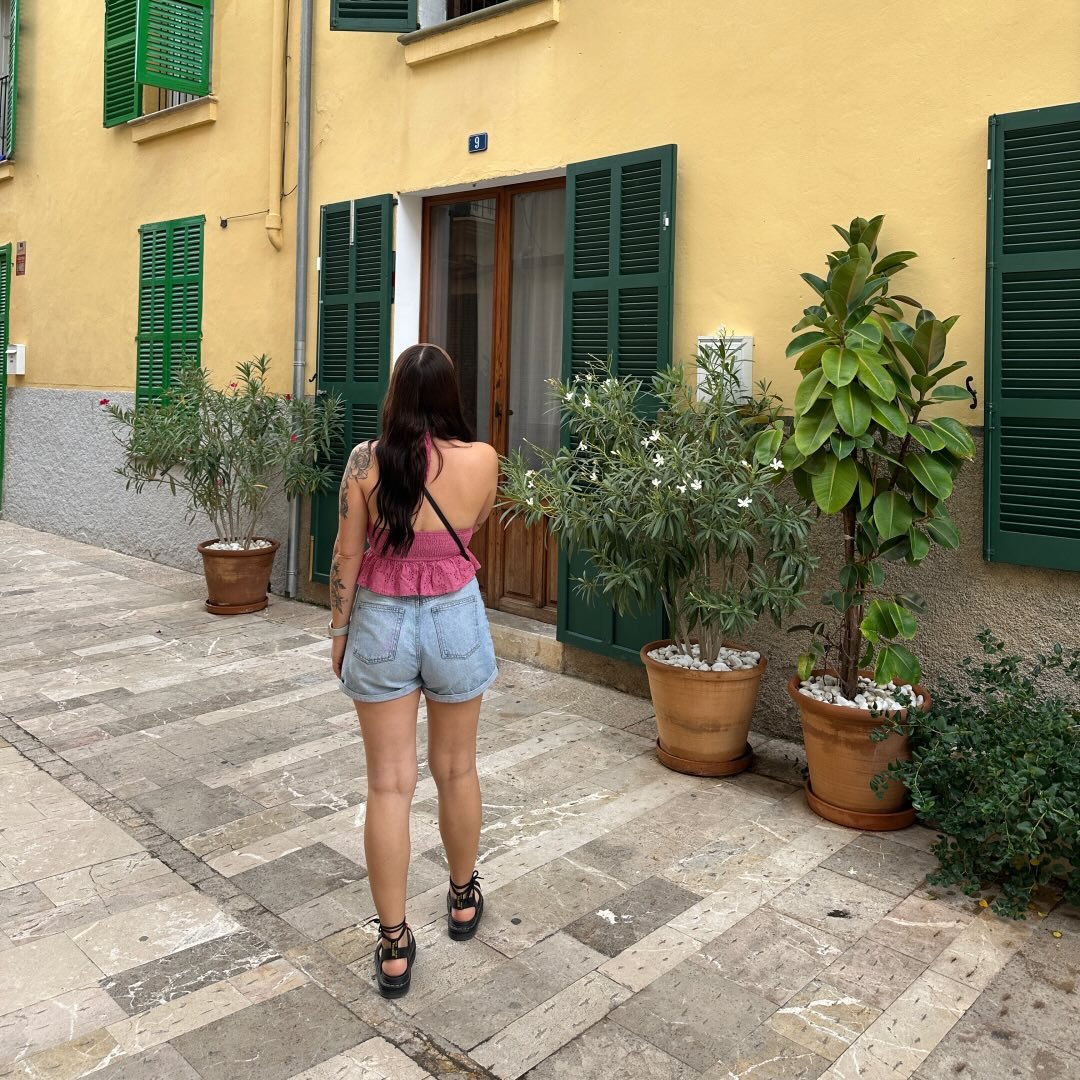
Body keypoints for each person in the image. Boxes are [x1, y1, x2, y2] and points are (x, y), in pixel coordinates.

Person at [328, 343, 500, 999]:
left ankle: (394, 944)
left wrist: (338, 631)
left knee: (388, 785)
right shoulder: (483, 459)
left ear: (396, 394)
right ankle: (461, 897)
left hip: (380, 622)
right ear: (452, 394)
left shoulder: (364, 462)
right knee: (457, 769)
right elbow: (476, 525)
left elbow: (347, 555)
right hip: (455, 617)